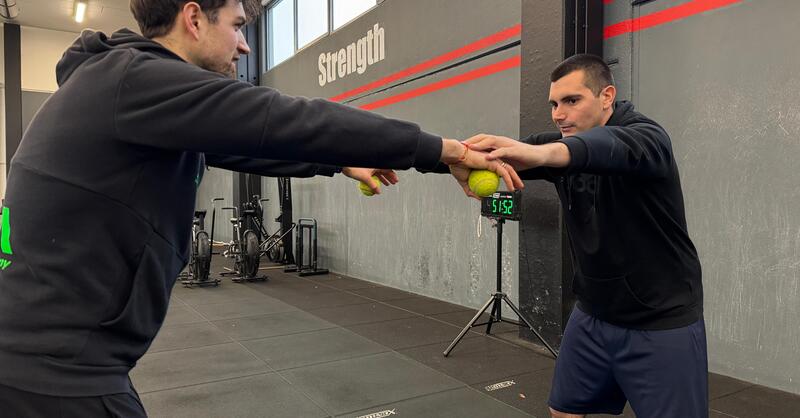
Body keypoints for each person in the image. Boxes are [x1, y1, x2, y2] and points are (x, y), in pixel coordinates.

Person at [0, 0, 523, 416]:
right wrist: (445, 150)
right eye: (237, 24)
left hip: (49, 357)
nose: (245, 44)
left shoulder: (125, 86)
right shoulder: (136, 79)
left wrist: (340, 164)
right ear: (194, 18)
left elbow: (251, 146)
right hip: (55, 369)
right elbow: (284, 119)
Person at [454, 54, 707, 417]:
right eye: (554, 104)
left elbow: (600, 149)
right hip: (593, 315)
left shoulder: (647, 138)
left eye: (572, 101)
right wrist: (445, 156)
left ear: (606, 96)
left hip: (659, 320)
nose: (559, 114)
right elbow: (488, 156)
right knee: (565, 411)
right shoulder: (562, 143)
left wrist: (544, 153)